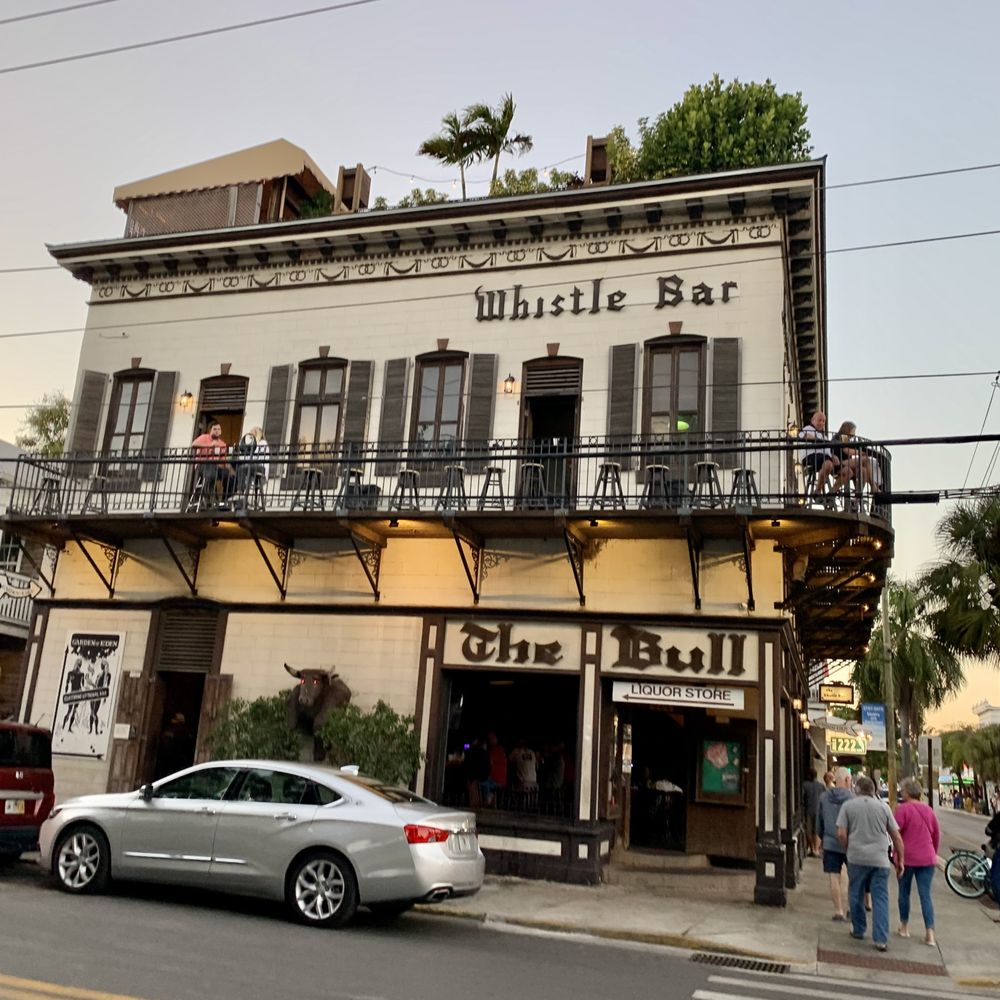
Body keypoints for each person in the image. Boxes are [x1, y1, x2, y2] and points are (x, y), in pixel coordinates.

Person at [837, 775, 904, 951]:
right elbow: (896, 836)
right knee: (880, 897)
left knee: (855, 893)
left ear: (856, 789)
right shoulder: (884, 808)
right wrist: (900, 860)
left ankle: (859, 929)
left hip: (856, 857)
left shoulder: (848, 806)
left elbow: (842, 834)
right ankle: (881, 938)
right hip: (880, 859)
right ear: (874, 790)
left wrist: (847, 848)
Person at [894, 777, 941, 946]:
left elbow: (895, 833)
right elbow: (936, 835)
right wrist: (933, 854)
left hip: (907, 857)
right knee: (925, 895)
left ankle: (904, 927)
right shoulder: (929, 810)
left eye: (902, 789)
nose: (901, 792)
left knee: (904, 893)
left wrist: (896, 856)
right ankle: (930, 933)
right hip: (927, 857)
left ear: (907, 792)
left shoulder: (902, 810)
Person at [817, 766, 854, 921]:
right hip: (850, 843)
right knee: (854, 877)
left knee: (834, 876)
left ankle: (838, 911)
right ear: (846, 780)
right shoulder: (853, 799)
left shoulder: (824, 797)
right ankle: (852, 908)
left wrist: (822, 837)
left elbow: (819, 822)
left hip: (830, 842)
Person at [799, 410, 840, 496]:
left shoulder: (824, 436)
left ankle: (831, 493)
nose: (821, 423)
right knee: (828, 464)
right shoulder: (807, 429)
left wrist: (833, 456)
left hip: (824, 458)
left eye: (823, 421)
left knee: (847, 471)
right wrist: (818, 441)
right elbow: (806, 436)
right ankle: (818, 490)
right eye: (819, 420)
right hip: (810, 457)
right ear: (813, 420)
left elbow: (827, 452)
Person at [191, 421, 234, 505]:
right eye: (214, 429)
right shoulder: (204, 437)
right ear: (210, 430)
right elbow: (194, 444)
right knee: (211, 472)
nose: (217, 431)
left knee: (230, 477)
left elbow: (223, 459)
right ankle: (208, 499)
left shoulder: (222, 444)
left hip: (216, 466)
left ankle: (225, 500)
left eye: (219, 429)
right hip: (203, 464)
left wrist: (230, 469)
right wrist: (209, 446)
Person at [234, 426, 270, 504]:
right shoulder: (251, 444)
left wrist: (256, 440)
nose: (250, 433)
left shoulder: (262, 442)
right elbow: (246, 457)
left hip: (261, 467)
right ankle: (242, 499)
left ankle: (240, 491)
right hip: (252, 466)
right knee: (240, 468)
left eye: (253, 431)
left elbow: (256, 454)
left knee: (242, 468)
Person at [803, 767, 826, 856]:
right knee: (817, 830)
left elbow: (802, 797)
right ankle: (816, 849)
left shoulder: (805, 785)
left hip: (809, 809)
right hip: (819, 809)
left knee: (808, 830)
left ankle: (812, 847)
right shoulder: (821, 786)